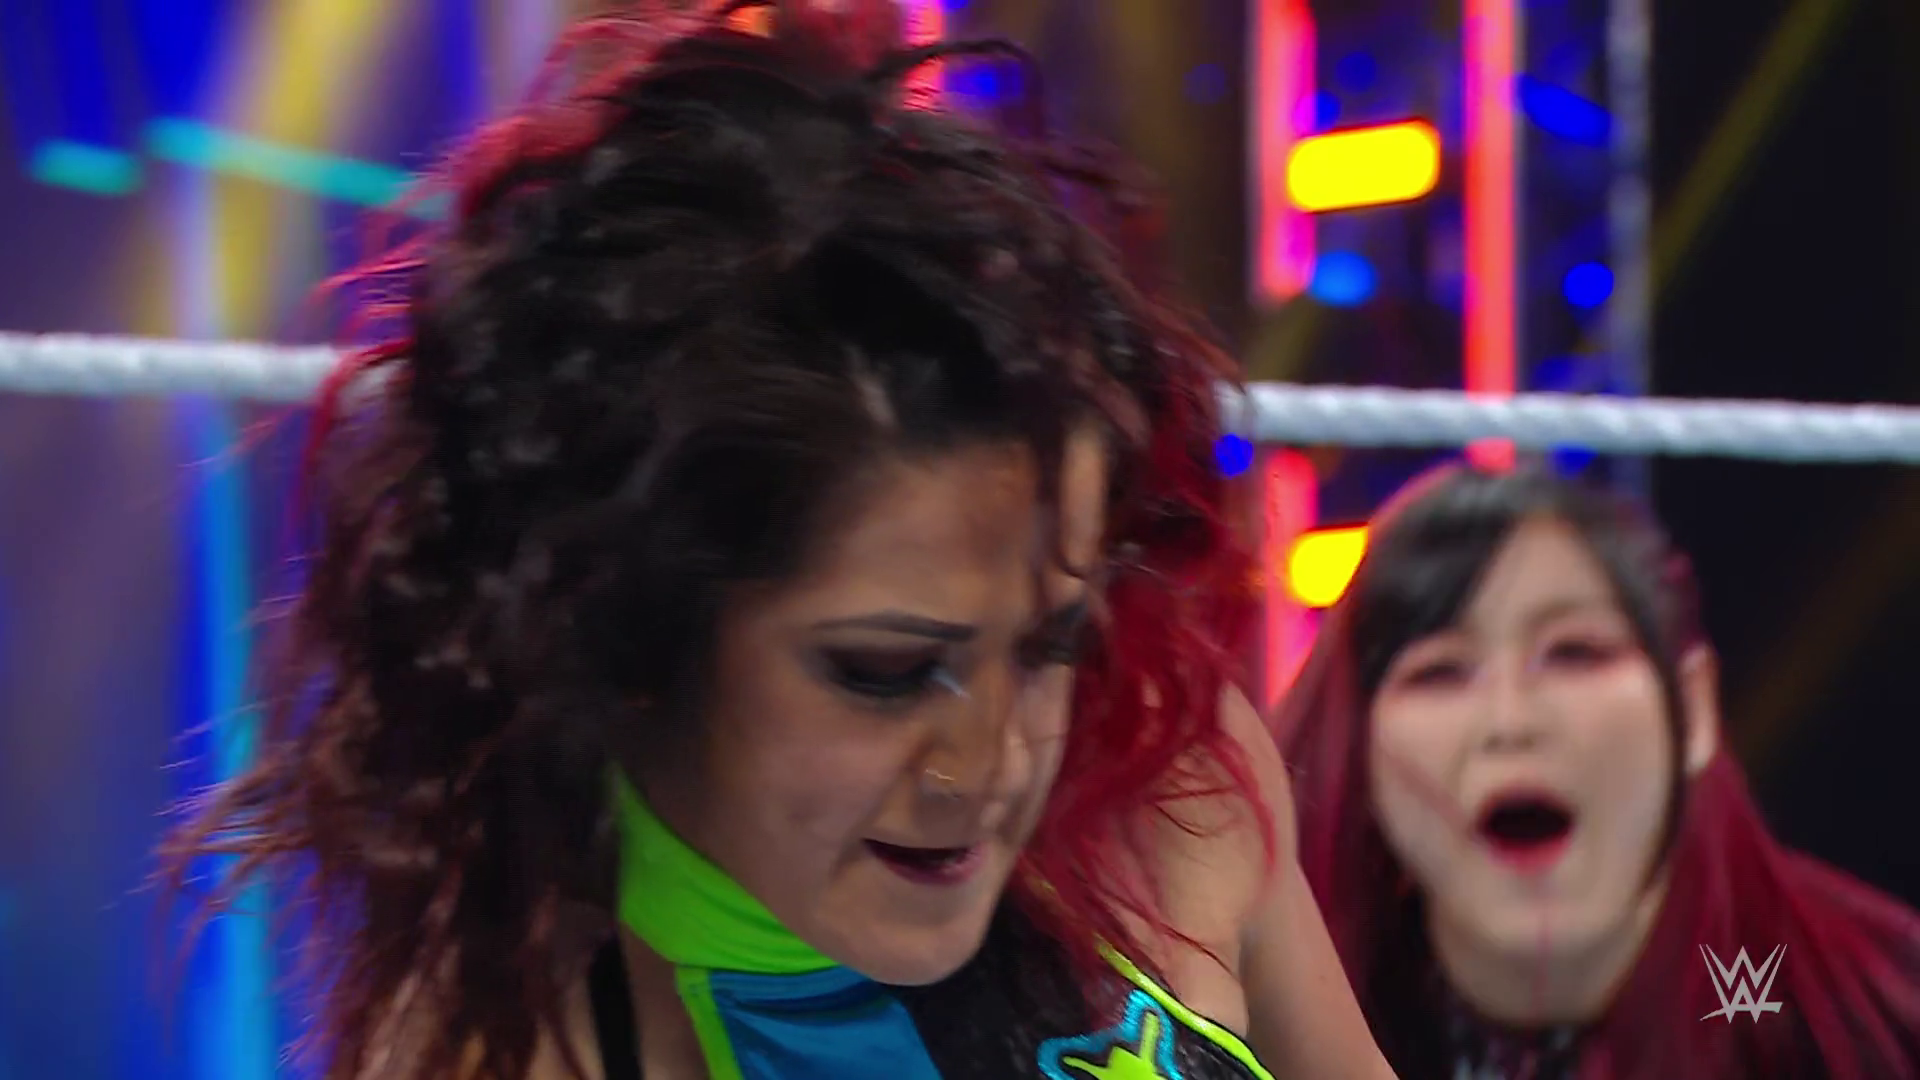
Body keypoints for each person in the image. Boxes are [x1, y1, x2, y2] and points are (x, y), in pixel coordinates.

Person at [166, 3, 1399, 1079]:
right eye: (884, 671)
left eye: (1050, 643)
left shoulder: (1171, 770)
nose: (988, 764)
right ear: (636, 631)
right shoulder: (511, 1037)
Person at [1276, 463, 1920, 1079]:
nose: (1511, 721)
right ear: (1359, 742)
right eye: (1440, 671)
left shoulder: (1879, 1013)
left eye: (1574, 653)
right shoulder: (1271, 1013)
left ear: (1692, 709)